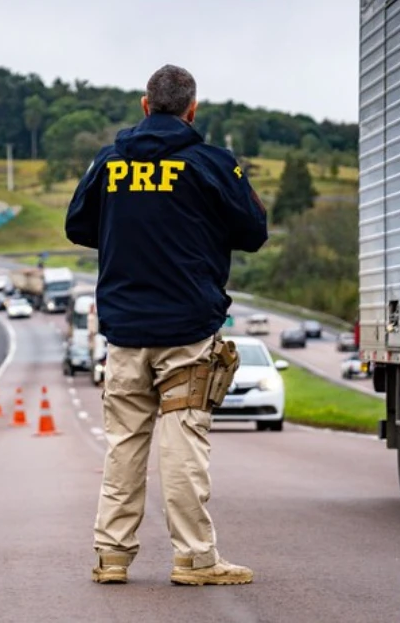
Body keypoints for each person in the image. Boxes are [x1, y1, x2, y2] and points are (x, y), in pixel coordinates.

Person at [65, 64, 268, 585]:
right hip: (187, 329)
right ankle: (195, 559)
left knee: (124, 445)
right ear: (191, 109)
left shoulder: (109, 161)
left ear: (144, 105)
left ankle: (111, 557)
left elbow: (77, 224)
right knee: (182, 445)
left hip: (125, 330)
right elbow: (254, 231)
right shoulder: (211, 163)